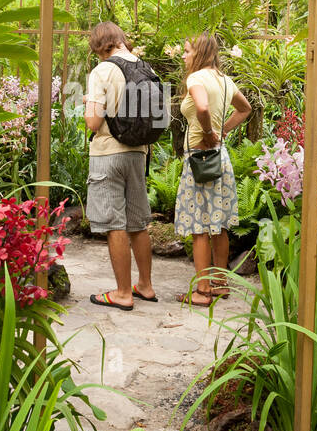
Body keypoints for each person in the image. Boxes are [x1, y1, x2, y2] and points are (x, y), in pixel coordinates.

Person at [83, 22, 157, 310]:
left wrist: (88, 102)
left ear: (99, 45)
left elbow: (93, 122)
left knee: (115, 223)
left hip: (108, 155)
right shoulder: (146, 67)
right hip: (138, 153)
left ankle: (123, 293)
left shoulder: (102, 70)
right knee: (138, 222)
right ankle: (146, 286)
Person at [175, 32, 252, 306]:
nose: (184, 56)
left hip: (200, 159)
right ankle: (220, 285)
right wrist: (221, 133)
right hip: (220, 158)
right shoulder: (224, 80)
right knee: (218, 225)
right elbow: (245, 109)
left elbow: (202, 107)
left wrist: (209, 131)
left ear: (199, 53)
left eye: (186, 51)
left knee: (199, 227)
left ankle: (202, 291)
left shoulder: (195, 78)